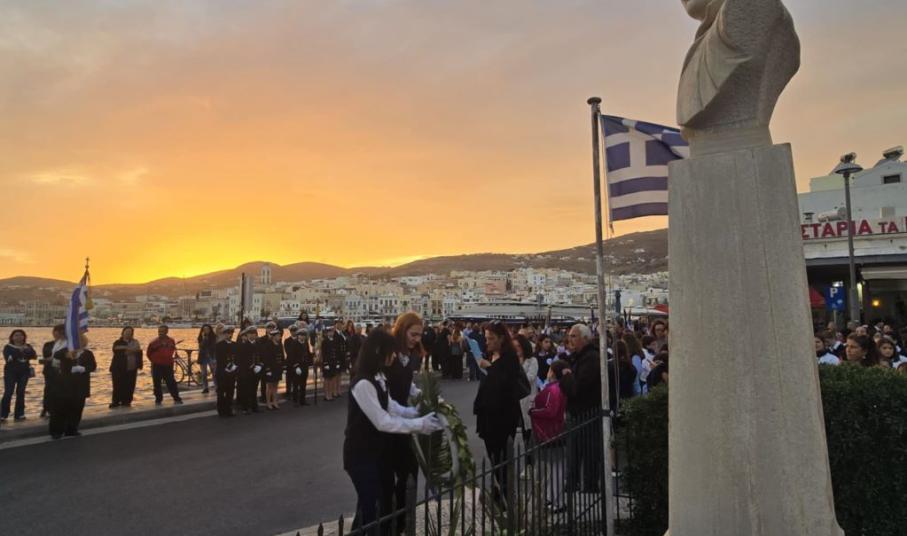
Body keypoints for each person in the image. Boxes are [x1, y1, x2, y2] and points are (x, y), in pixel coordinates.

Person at [343, 329, 443, 532]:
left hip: (376, 452)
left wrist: (414, 412)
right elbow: (382, 421)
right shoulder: (363, 383)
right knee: (372, 507)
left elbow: (391, 406)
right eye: (392, 351)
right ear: (380, 352)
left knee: (378, 503)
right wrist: (418, 424)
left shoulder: (378, 376)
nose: (395, 356)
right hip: (361, 454)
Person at [473, 321, 523, 507]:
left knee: (501, 457)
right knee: (493, 457)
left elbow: (506, 384)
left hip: (502, 416)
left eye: (491, 339)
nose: (487, 342)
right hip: (488, 413)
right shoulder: (491, 355)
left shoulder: (510, 358)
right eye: (486, 339)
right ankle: (498, 491)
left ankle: (507, 495)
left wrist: (489, 367)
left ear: (501, 339)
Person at [387, 312, 426, 533]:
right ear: (402, 330)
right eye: (413, 334)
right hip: (388, 418)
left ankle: (402, 519)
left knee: (409, 470)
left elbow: (408, 384)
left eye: (419, 335)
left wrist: (423, 396)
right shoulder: (389, 354)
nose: (416, 339)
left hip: (402, 418)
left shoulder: (410, 356)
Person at [558, 323, 603, 494]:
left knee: (588, 453)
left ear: (585, 338)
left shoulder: (590, 358)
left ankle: (589, 486)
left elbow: (577, 388)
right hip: (576, 413)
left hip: (586, 413)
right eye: (569, 336)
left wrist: (566, 376)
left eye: (574, 336)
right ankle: (573, 483)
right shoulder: (577, 357)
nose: (570, 339)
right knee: (573, 453)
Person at [529, 360, 569, 512]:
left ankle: (557, 500)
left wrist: (533, 411)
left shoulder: (554, 389)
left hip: (552, 432)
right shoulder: (558, 387)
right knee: (556, 467)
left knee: (556, 467)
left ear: (552, 372)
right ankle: (552, 497)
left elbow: (550, 411)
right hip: (556, 431)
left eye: (549, 369)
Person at [48, 335, 97, 438]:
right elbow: (56, 355)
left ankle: (72, 429)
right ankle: (56, 431)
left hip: (81, 385)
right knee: (61, 408)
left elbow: (93, 366)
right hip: (65, 385)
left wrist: (83, 369)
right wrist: (67, 354)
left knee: (77, 408)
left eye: (81, 341)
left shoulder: (88, 353)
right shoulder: (66, 351)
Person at [514, 333, 538, 472]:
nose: (516, 349)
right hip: (514, 402)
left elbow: (529, 378)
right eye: (514, 346)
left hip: (527, 402)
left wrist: (515, 371)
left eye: (518, 346)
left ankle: (530, 465)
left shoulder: (532, 361)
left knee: (528, 435)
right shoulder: (512, 360)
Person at [2, 329, 37, 422]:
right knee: (8, 392)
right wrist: (19, 351)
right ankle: (3, 414)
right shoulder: (8, 347)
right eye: (16, 335)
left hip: (24, 372)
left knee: (21, 392)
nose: (19, 337)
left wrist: (28, 351)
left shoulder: (28, 346)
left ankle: (19, 413)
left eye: (21, 335)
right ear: (12, 337)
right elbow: (8, 358)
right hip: (10, 372)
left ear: (24, 337)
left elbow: (34, 356)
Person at [110, 326, 143, 407]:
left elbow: (137, 349)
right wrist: (128, 348)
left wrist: (126, 349)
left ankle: (127, 402)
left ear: (132, 333)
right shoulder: (117, 342)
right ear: (122, 332)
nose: (128, 333)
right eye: (126, 332)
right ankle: (115, 402)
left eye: (130, 332)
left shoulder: (135, 342)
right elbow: (115, 349)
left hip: (132, 368)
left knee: (130, 385)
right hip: (118, 368)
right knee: (117, 385)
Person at [40, 325, 67, 418]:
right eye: (57, 331)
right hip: (50, 370)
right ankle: (46, 408)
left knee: (61, 390)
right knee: (49, 390)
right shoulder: (48, 344)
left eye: (61, 332)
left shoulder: (67, 344)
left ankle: (59, 408)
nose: (59, 334)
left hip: (63, 370)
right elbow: (46, 355)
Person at [214, 326, 237, 417]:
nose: (229, 335)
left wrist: (235, 366)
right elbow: (219, 359)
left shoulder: (235, 344)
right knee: (221, 392)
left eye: (231, 333)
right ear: (224, 334)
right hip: (222, 371)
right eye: (227, 333)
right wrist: (227, 367)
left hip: (232, 372)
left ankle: (228, 409)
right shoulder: (219, 345)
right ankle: (221, 410)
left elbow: (237, 357)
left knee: (230, 391)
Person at [262, 328, 284, 410]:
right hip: (271, 369)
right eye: (278, 335)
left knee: (275, 386)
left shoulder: (279, 344)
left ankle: (275, 401)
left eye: (279, 335)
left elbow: (282, 356)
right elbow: (266, 358)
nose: (279, 337)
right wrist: (268, 369)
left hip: (277, 368)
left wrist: (283, 366)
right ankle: (268, 403)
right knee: (270, 386)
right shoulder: (268, 345)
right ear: (273, 336)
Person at [320, 325, 344, 401]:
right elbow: (323, 353)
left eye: (332, 332)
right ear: (327, 333)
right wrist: (325, 363)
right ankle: (326, 394)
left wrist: (338, 362)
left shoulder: (334, 341)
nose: (331, 333)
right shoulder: (324, 341)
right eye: (329, 332)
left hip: (333, 362)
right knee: (327, 379)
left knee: (332, 378)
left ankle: (330, 393)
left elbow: (337, 352)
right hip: (327, 362)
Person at [196, 324, 217, 394]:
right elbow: (201, 346)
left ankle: (217, 387)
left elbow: (213, 347)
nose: (206, 330)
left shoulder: (213, 337)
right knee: (204, 373)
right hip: (203, 357)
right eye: (204, 329)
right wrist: (204, 338)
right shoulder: (200, 337)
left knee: (214, 372)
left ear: (210, 329)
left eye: (207, 329)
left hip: (211, 356)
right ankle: (205, 388)